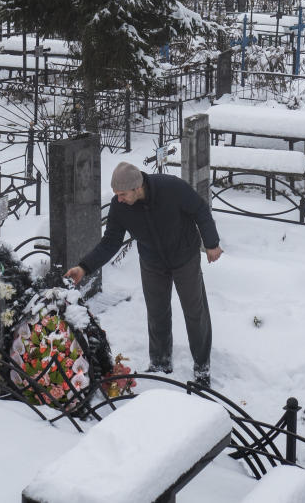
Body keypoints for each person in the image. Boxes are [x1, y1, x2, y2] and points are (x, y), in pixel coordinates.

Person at [66, 162, 222, 389]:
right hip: (152, 261)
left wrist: (211, 243)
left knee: (194, 312)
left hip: (184, 256)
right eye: (116, 194)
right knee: (157, 311)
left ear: (137, 188)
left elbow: (199, 209)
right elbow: (111, 242)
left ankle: (202, 368)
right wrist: (84, 267)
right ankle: (160, 363)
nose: (118, 199)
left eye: (122, 194)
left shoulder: (172, 188)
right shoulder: (120, 207)